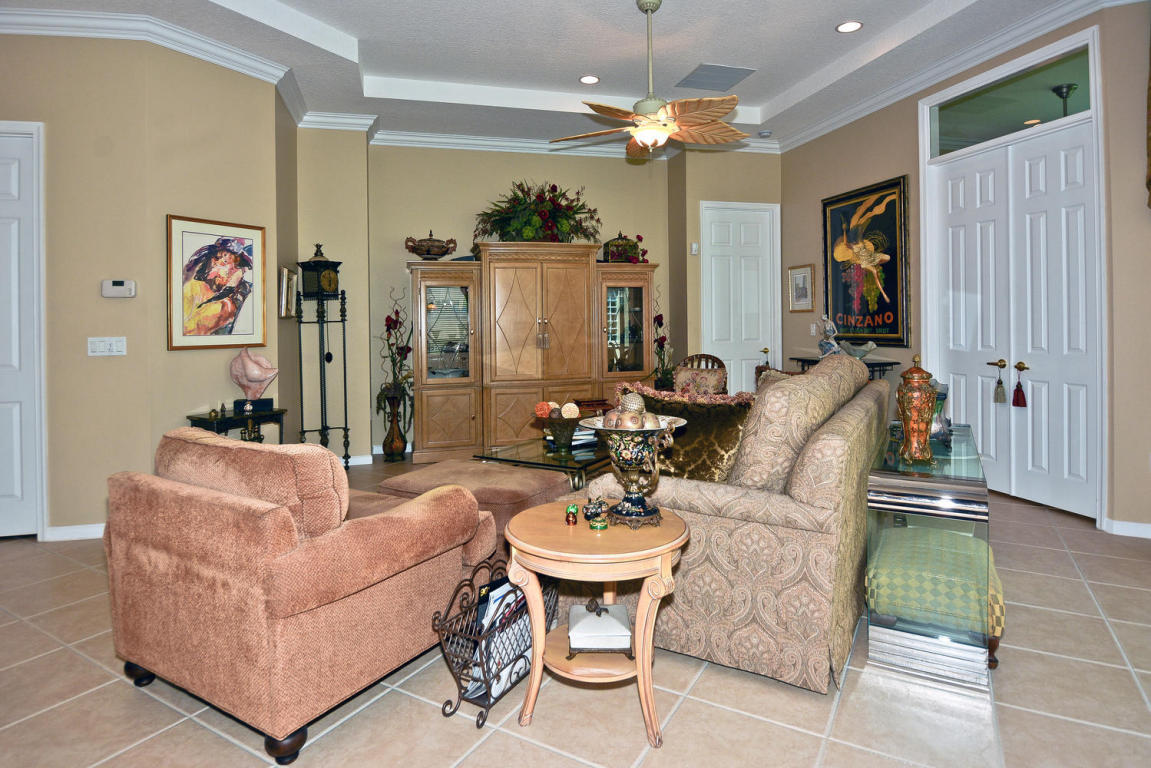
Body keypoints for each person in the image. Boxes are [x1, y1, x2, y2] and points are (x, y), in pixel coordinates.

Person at [181, 237, 253, 336]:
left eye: (226, 262)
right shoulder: (195, 286)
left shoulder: (226, 306)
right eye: (216, 258)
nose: (217, 265)